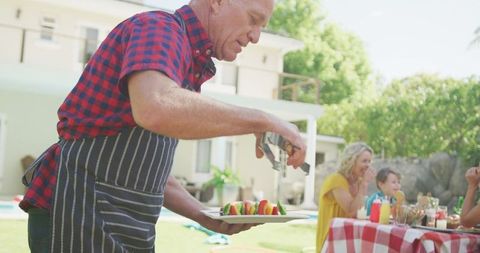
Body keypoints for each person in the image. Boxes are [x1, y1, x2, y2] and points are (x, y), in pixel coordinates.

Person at [20, 0, 308, 252]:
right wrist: (262, 120)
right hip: (79, 211)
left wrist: (204, 216)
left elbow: (149, 169)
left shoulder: (187, 61)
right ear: (218, 1)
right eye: (253, 19)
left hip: (124, 226)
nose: (256, 37)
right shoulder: (158, 27)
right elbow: (155, 106)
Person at [316, 142, 375, 252]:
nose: (368, 165)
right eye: (364, 161)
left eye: (369, 161)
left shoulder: (358, 182)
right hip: (331, 241)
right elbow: (350, 210)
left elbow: (359, 212)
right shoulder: (336, 180)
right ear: (351, 161)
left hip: (348, 239)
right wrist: (364, 185)